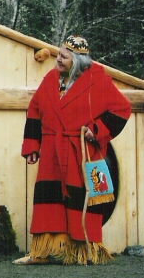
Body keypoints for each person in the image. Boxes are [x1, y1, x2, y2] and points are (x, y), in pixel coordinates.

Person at [12, 35, 131, 265]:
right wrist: (32, 145)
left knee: (81, 200)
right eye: (58, 54)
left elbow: (122, 109)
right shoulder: (50, 79)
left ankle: (83, 250)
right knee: (50, 198)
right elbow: (34, 109)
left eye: (64, 57)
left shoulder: (98, 80)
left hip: (82, 152)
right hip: (51, 151)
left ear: (77, 61)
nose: (58, 60)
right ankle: (45, 251)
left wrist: (97, 130)